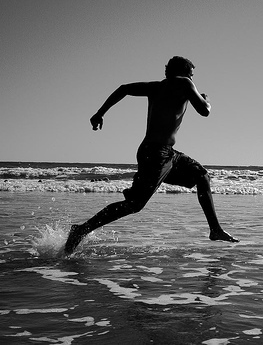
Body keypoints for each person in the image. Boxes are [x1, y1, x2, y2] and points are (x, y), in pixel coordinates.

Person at [64, 56, 239, 255]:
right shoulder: (185, 83)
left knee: (201, 175)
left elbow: (124, 88)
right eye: (191, 75)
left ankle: (215, 229)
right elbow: (205, 111)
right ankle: (81, 230)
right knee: (134, 204)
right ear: (183, 74)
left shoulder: (155, 87)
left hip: (162, 153)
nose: (192, 79)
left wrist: (99, 113)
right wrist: (205, 99)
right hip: (157, 154)